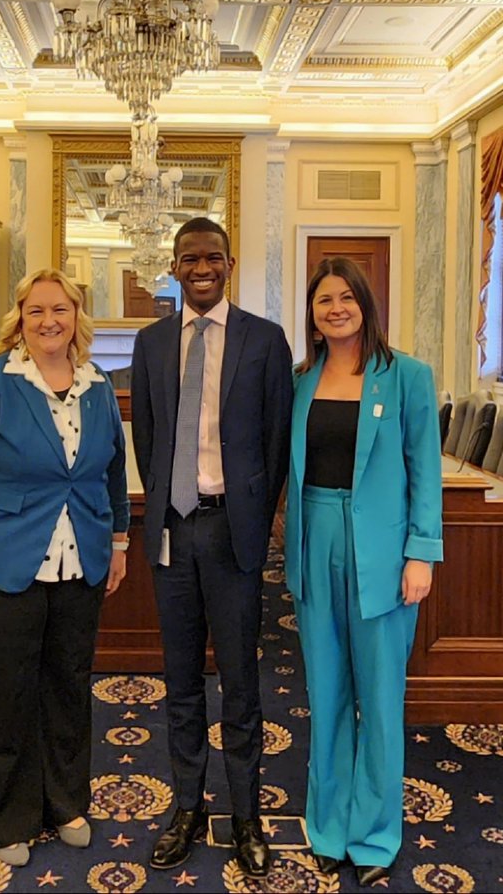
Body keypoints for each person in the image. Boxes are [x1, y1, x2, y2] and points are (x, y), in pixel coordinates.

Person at [0, 268, 130, 867]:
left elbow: (112, 471)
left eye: (60, 309)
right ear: (20, 318)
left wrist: (118, 543)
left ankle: (64, 803)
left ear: (77, 317)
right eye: (37, 310)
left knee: (68, 688)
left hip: (81, 561)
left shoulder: (97, 384)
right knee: (6, 694)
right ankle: (0, 818)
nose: (49, 321)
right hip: (5, 564)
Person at [130, 217, 293, 876]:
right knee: (180, 681)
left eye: (213, 257)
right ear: (174, 267)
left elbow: (277, 440)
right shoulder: (151, 343)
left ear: (229, 263)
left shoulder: (264, 339)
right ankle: (187, 807)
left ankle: (246, 815)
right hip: (174, 529)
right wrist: (167, 505)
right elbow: (147, 435)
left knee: (241, 683)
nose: (201, 268)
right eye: (190, 258)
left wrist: (254, 514)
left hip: (233, 531)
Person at [283, 257, 443, 888]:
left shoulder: (406, 376)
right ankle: (327, 827)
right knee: (325, 694)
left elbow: (425, 470)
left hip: (384, 550)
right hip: (314, 539)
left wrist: (421, 552)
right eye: (324, 300)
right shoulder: (300, 381)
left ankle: (374, 835)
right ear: (312, 314)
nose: (336, 309)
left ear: (365, 305)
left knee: (378, 698)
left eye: (346, 298)